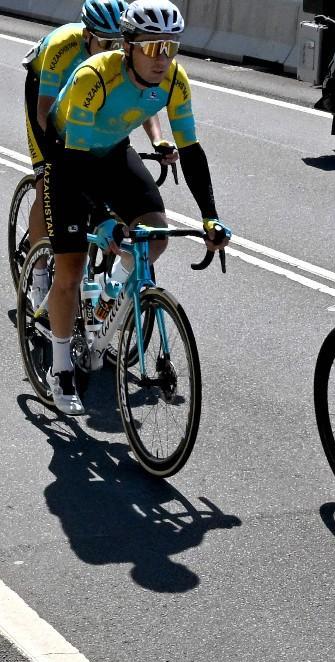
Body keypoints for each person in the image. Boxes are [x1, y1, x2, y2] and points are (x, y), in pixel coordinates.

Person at [41, 0, 231, 415]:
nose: (163, 59)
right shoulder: (96, 76)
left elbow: (192, 152)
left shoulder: (175, 80)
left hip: (111, 153)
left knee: (155, 233)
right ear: (128, 47)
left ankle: (108, 295)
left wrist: (210, 216)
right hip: (70, 156)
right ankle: (60, 370)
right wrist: (105, 217)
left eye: (171, 47)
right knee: (70, 270)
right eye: (152, 48)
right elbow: (76, 163)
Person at [21, 0, 179, 309]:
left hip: (86, 102)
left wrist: (159, 141)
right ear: (86, 36)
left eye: (118, 42)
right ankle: (38, 273)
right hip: (48, 99)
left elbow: (142, 98)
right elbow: (45, 113)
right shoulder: (63, 47)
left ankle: (110, 290)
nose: (112, 49)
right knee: (47, 181)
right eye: (105, 43)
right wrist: (55, 159)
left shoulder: (120, 62)